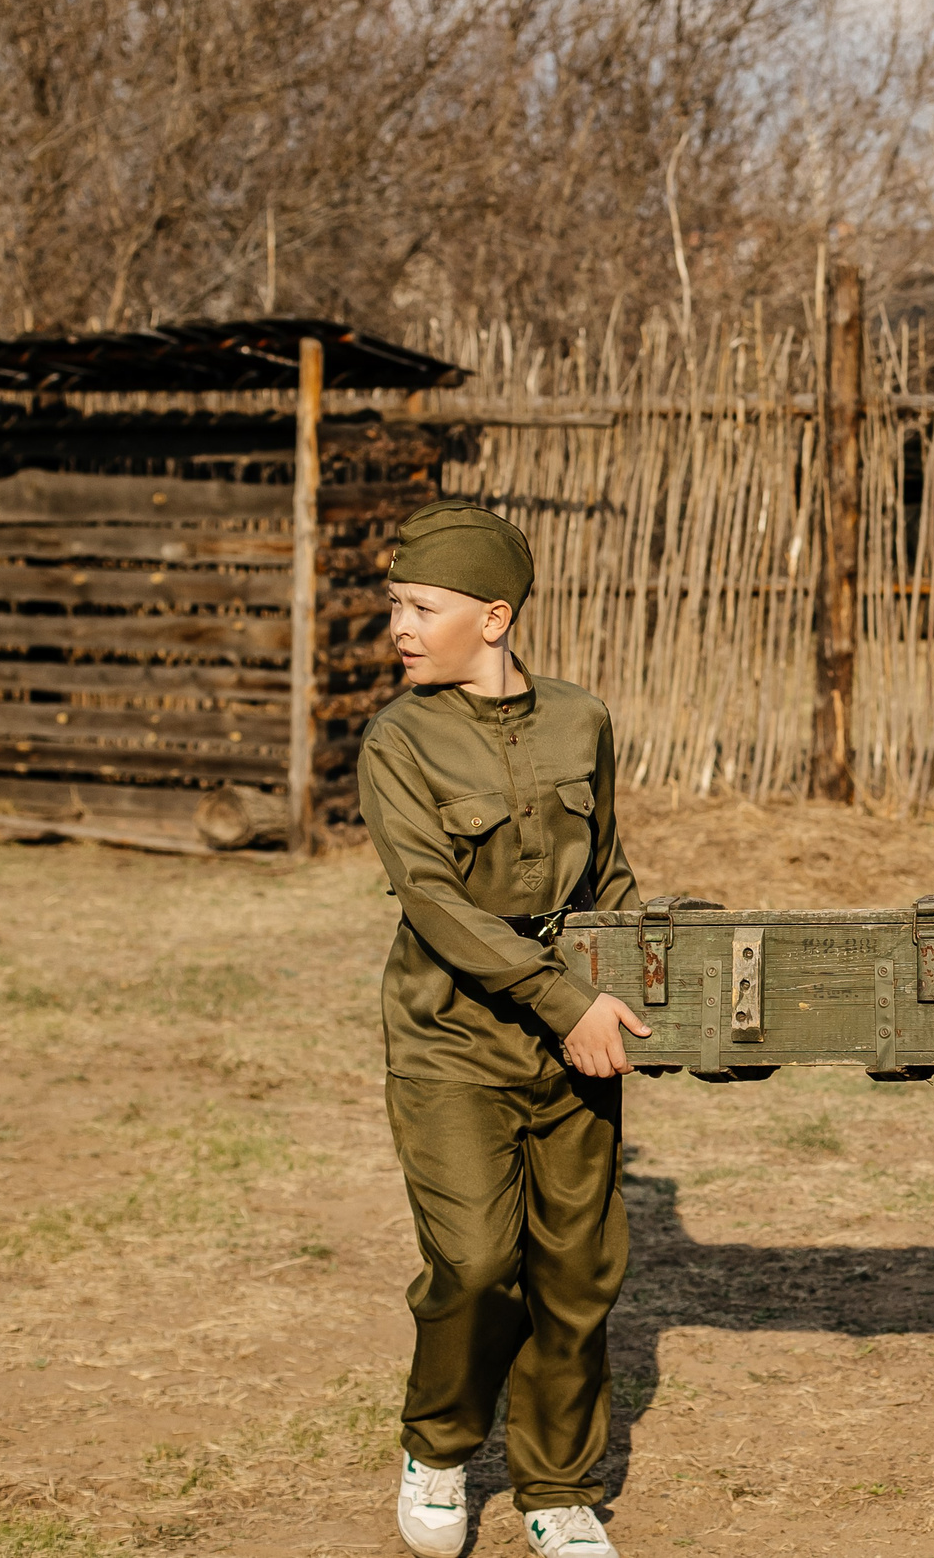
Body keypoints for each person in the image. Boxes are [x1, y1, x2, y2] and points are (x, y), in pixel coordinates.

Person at [357, 499, 651, 1558]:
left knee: (577, 1274)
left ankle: (556, 1487)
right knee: (477, 1262)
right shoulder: (397, 739)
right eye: (394, 604)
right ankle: (438, 1446)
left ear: (493, 617)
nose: (397, 625)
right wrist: (566, 999)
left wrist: (641, 987)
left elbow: (608, 871)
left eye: (420, 607)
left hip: (572, 1043)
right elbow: (434, 904)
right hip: (451, 1036)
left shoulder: (582, 720)